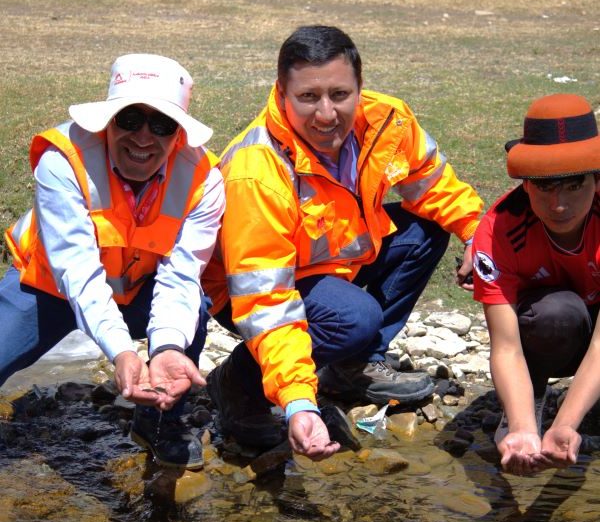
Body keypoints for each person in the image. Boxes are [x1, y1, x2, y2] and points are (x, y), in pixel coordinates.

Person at [202, 25, 482, 460]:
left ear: (359, 87)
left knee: (425, 231)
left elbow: (432, 186)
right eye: (308, 97)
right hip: (252, 292)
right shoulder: (256, 171)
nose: (326, 114)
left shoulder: (388, 121)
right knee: (353, 318)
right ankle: (237, 384)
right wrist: (298, 401)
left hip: (334, 260)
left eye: (339, 94)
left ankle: (355, 365)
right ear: (282, 92)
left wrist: (478, 234)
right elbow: (265, 301)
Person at [1, 53, 225, 470]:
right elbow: (78, 272)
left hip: (137, 290)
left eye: (161, 125)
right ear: (107, 121)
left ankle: (159, 421)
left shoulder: (204, 179)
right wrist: (123, 351)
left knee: (193, 310)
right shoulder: (62, 161)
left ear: (178, 133)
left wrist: (167, 346)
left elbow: (181, 277)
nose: (143, 138)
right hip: (47, 287)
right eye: (130, 119)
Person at [472, 93, 600, 476]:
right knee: (556, 314)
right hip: (551, 330)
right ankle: (532, 400)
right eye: (544, 187)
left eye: (574, 185)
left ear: (597, 179)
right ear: (526, 184)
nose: (558, 205)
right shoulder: (498, 230)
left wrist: (566, 424)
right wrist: (523, 426)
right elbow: (506, 347)